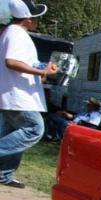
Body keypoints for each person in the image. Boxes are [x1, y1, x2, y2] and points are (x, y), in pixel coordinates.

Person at [0, 0, 58, 188]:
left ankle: (4, 175)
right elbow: (11, 61)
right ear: (27, 19)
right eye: (36, 17)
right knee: (34, 129)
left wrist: (42, 68)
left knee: (13, 132)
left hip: (14, 94)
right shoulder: (16, 34)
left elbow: (22, 62)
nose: (38, 21)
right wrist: (41, 71)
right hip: (18, 96)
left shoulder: (12, 32)